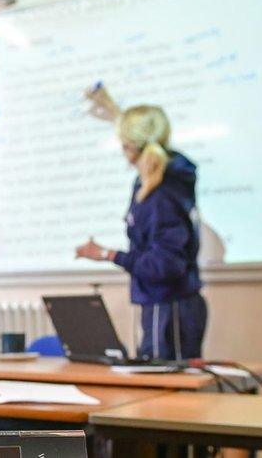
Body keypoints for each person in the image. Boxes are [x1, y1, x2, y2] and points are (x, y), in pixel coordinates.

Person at [76, 86, 206, 360]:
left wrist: (108, 255)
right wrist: (112, 111)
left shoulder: (161, 194)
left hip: (169, 307)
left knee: (165, 393)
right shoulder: (161, 181)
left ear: (129, 145)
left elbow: (165, 265)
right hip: (163, 304)